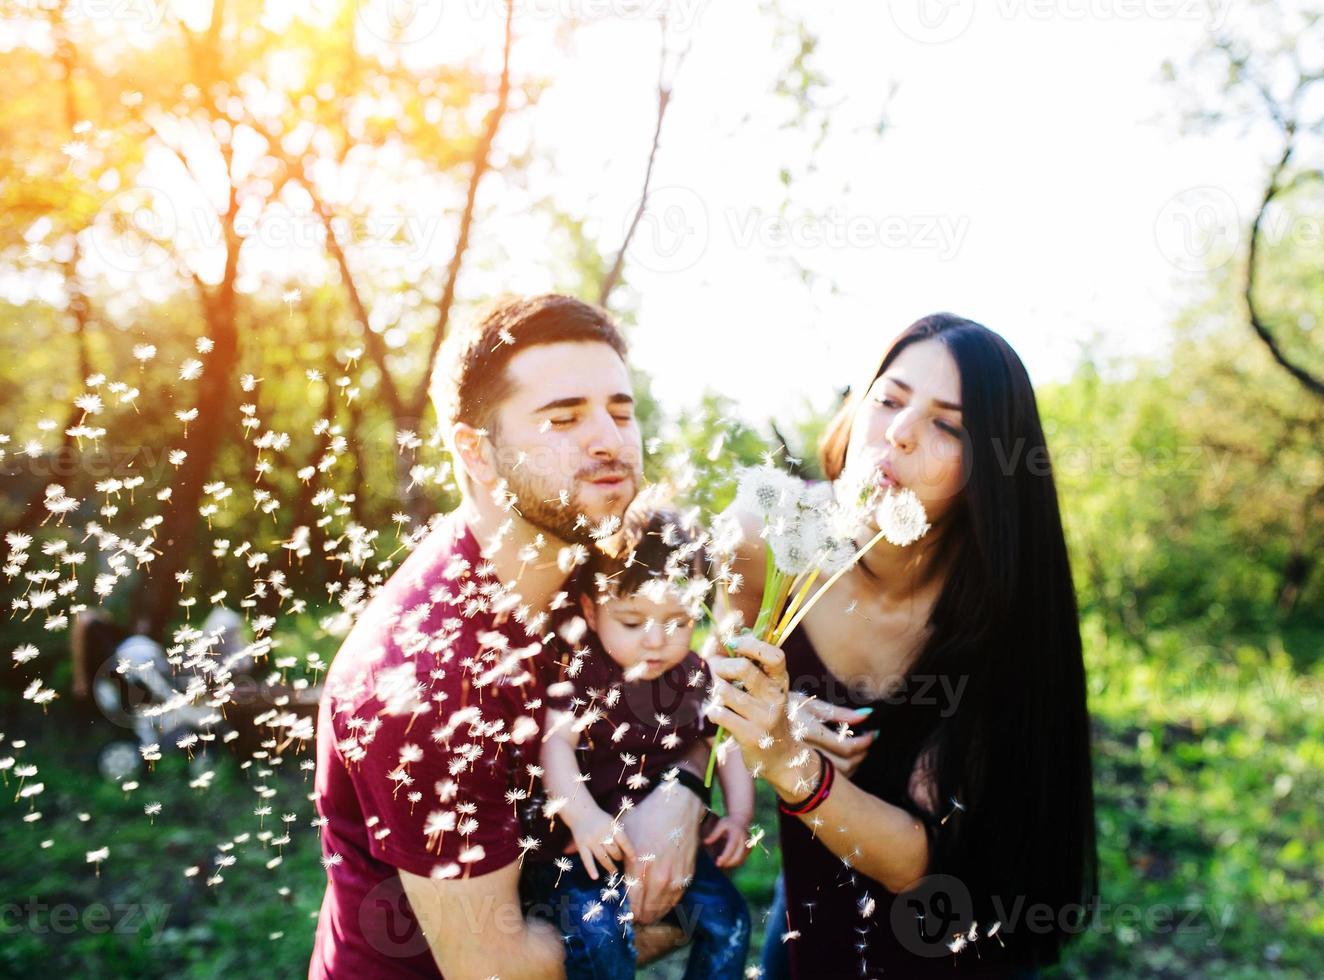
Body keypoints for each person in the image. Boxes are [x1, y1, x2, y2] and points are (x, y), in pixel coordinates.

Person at [309, 295, 707, 979]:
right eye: (564, 417)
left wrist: (680, 791)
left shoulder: (594, 570)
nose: (610, 440)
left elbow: (690, 682)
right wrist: (675, 919)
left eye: (620, 410)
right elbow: (499, 970)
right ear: (478, 452)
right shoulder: (429, 676)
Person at [708, 314, 1099, 978]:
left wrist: (787, 758)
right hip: (811, 915)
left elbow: (917, 865)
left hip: (952, 938)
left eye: (947, 425)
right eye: (888, 399)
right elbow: (721, 681)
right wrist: (781, 715)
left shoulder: (999, 605)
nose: (898, 432)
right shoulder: (763, 531)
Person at [532, 499, 753, 979]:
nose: (655, 641)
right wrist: (585, 817)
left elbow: (725, 744)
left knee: (729, 920)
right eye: (632, 622)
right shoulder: (585, 671)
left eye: (678, 622)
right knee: (598, 935)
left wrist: (739, 816)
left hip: (667, 846)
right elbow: (555, 744)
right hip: (591, 849)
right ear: (591, 611)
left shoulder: (694, 676)